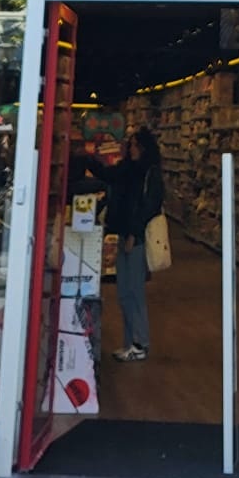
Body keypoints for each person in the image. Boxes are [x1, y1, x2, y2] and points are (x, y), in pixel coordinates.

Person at [79, 126, 163, 362]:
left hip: (136, 238)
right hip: (124, 234)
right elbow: (109, 175)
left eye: (135, 145)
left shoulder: (150, 173)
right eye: (130, 145)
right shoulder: (127, 169)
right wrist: (87, 160)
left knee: (134, 291)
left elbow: (150, 206)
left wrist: (134, 233)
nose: (131, 149)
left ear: (144, 148)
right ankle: (129, 342)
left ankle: (140, 342)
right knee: (124, 292)